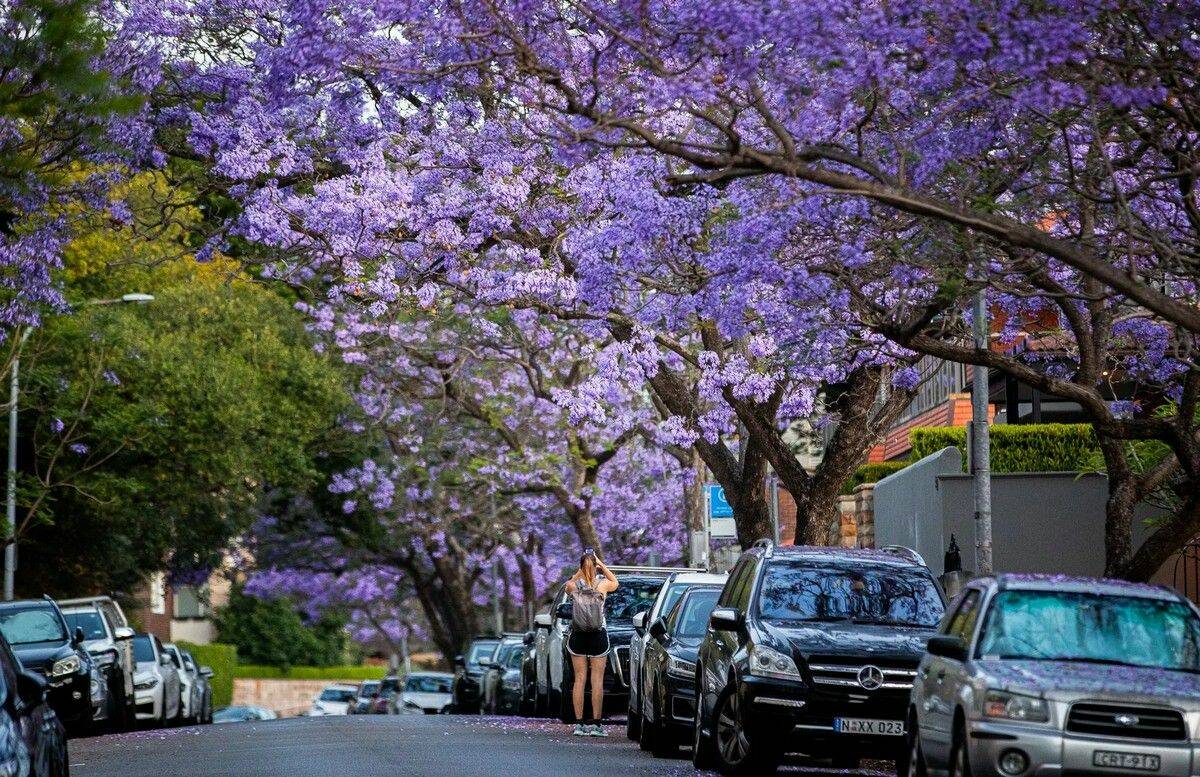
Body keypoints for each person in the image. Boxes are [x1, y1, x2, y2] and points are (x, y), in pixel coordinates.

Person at [565, 548, 618, 736]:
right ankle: (596, 724)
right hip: (598, 636)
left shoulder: (573, 587)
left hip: (578, 636)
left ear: (580, 567)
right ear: (595, 567)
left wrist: (580, 571)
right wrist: (601, 565)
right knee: (597, 681)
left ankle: (579, 724)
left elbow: (569, 582)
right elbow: (615, 582)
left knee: (579, 679)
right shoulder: (602, 585)